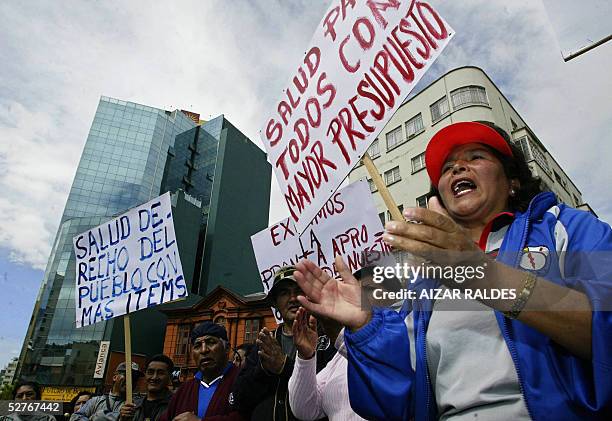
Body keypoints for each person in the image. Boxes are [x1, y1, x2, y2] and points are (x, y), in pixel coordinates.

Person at [293, 121, 612, 420]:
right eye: (447, 167)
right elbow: (400, 402)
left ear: (513, 180)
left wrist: (482, 274)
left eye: (476, 156)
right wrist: (367, 328)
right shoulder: (423, 283)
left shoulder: (567, 228)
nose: (458, 167)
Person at [287, 265, 401, 421]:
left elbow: (390, 382)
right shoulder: (338, 357)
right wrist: (305, 357)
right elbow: (305, 410)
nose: (358, 299)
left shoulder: (410, 338)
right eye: (353, 292)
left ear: (394, 297)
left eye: (368, 290)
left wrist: (337, 334)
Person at [232, 266, 335, 421]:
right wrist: (263, 370)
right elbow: (239, 401)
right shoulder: (264, 344)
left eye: (299, 290)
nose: (292, 298)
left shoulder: (328, 340)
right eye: (284, 293)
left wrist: (284, 366)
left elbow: (332, 391)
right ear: (275, 303)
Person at [160, 322, 242, 421]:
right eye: (197, 345)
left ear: (227, 348)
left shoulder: (243, 380)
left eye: (211, 342)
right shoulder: (185, 389)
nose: (203, 350)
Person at [71, 362, 143, 421]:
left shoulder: (134, 407)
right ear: (115, 377)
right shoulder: (95, 401)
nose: (131, 380)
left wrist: (100, 417)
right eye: (127, 375)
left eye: (135, 378)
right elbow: (75, 417)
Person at [119, 355, 173, 421]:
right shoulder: (133, 404)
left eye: (161, 373)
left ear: (170, 377)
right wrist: (122, 419)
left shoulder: (175, 405)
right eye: (150, 372)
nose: (154, 377)